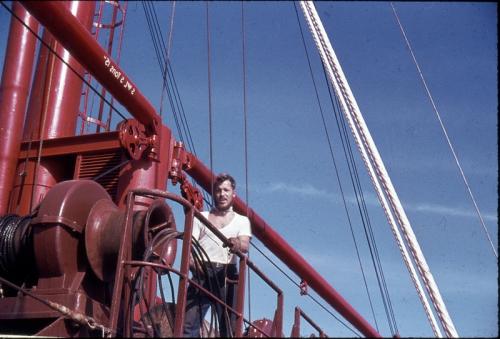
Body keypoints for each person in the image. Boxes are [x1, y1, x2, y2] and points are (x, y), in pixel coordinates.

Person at [183, 173, 252, 337]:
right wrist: (192, 263)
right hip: (201, 272)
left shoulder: (242, 221)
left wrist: (236, 243)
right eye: (218, 190)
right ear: (214, 193)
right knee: (187, 325)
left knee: (228, 328)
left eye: (226, 190)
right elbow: (190, 245)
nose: (222, 194)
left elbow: (245, 245)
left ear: (233, 193)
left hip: (227, 276)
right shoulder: (201, 217)